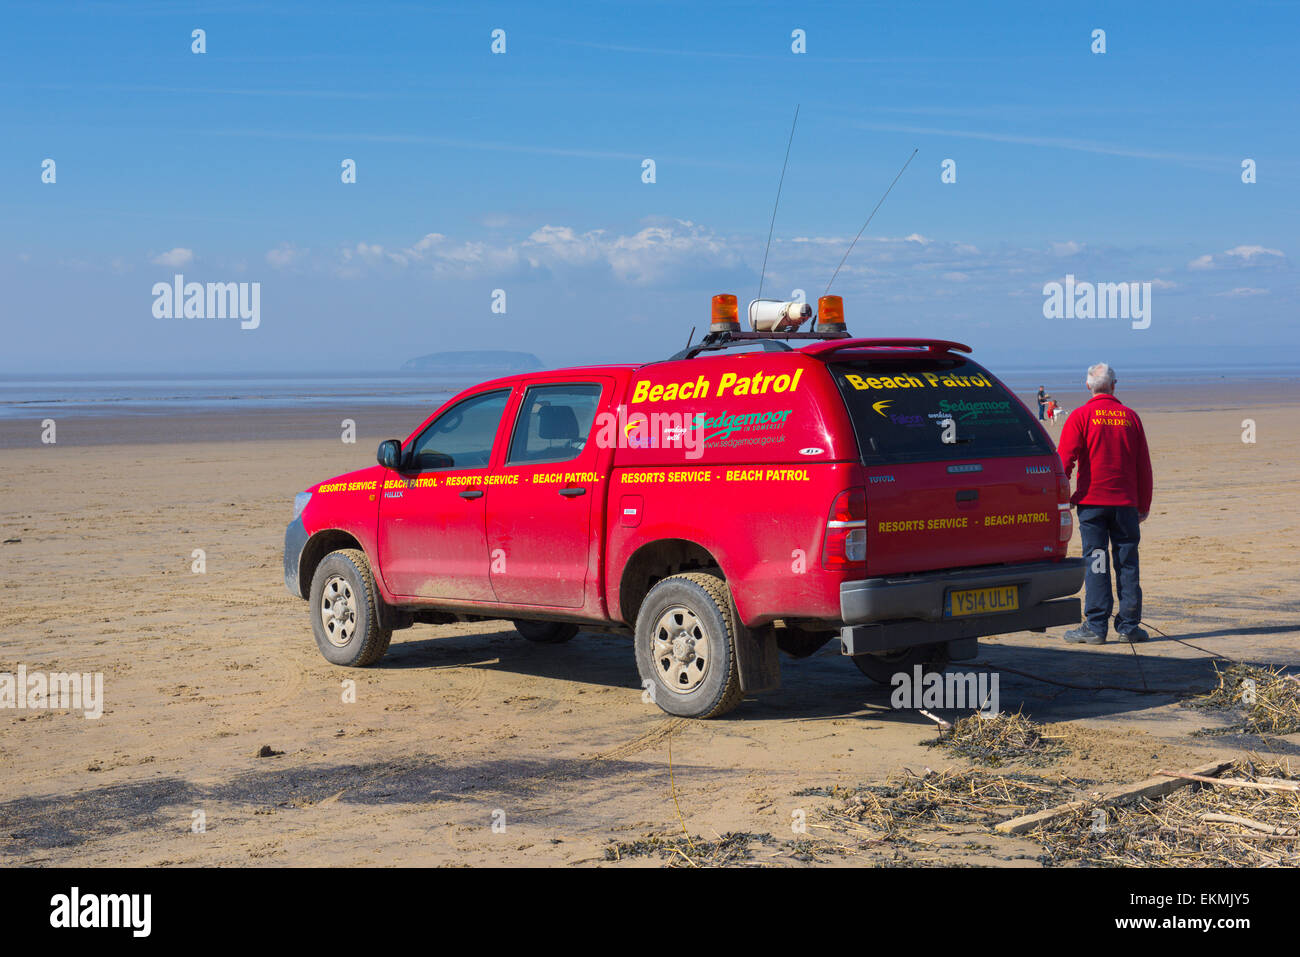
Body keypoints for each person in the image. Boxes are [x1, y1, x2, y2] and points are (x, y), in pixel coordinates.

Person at [1057, 363, 1153, 644]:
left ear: (1088, 386)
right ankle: (1128, 626)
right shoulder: (1130, 418)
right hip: (1124, 505)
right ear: (1114, 385)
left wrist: (1061, 496)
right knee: (1127, 563)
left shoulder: (1081, 416)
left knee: (1096, 562)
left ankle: (1097, 625)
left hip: (1093, 505)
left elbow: (1064, 460)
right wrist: (1143, 504)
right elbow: (1143, 467)